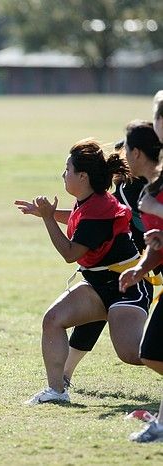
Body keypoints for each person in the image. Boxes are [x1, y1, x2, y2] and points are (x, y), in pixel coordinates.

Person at [15, 138, 152, 405]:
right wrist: (49, 213)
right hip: (99, 285)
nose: (63, 174)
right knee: (52, 319)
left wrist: (46, 218)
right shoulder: (90, 200)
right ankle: (56, 391)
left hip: (127, 288)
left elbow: (69, 254)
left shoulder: (99, 209)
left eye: (67, 169)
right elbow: (80, 219)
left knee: (133, 354)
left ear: (83, 175)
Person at [118, 112, 163, 442]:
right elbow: (158, 244)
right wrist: (141, 267)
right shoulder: (150, 190)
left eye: (126, 151)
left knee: (151, 351)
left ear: (136, 154)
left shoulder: (153, 195)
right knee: (151, 352)